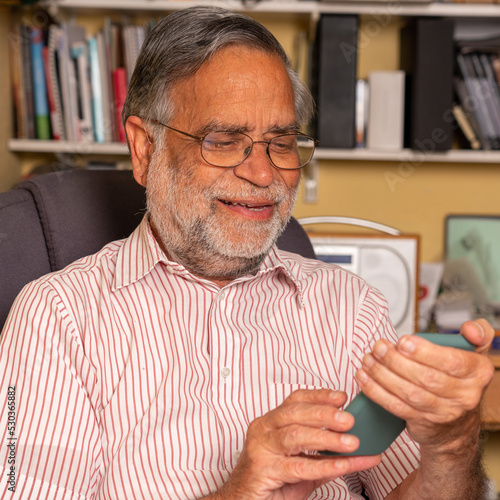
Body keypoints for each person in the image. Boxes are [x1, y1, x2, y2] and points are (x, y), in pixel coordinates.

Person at [0, 6, 495, 499]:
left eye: (280, 143)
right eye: (223, 140)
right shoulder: (59, 318)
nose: (263, 174)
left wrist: (452, 444)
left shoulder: (351, 309)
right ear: (145, 149)